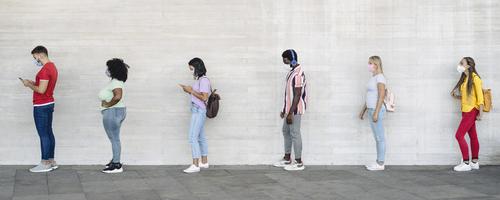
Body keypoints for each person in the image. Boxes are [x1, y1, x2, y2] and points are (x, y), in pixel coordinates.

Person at [21, 46, 59, 173]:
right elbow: (45, 86)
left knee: (43, 134)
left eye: (34, 57)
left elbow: (41, 90)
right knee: (49, 132)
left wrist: (28, 85)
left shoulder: (44, 70)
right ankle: (51, 161)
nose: (35, 59)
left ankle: (45, 163)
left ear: (39, 54)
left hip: (41, 105)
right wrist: (34, 82)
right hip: (49, 103)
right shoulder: (52, 67)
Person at [273, 49, 307, 171]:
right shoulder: (291, 72)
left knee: (295, 134)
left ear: (290, 59)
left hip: (295, 110)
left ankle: (299, 162)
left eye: (284, 58)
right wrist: (284, 110)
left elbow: (297, 95)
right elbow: (288, 94)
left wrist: (291, 113)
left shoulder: (298, 74)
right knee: (286, 131)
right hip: (289, 110)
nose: (283, 60)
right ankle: (287, 158)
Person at [450, 57, 483, 172]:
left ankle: (466, 163)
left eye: (461, 63)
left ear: (468, 66)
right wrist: (457, 96)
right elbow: (468, 97)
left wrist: (481, 114)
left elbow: (480, 98)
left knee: (459, 135)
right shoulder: (466, 78)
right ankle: (474, 162)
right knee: (473, 136)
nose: (459, 64)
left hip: (471, 111)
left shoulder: (475, 78)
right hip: (465, 110)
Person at [179, 57, 211, 173]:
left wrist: (191, 91)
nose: (191, 71)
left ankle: (195, 165)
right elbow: (199, 95)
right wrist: (189, 90)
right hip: (197, 110)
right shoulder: (199, 80)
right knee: (201, 137)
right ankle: (204, 162)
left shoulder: (204, 80)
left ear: (197, 68)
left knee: (192, 137)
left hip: (198, 111)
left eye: (192, 68)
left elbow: (204, 97)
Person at [99, 58, 129, 173]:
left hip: (113, 111)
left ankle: (116, 165)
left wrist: (108, 105)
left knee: (114, 138)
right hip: (114, 111)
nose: (107, 70)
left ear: (113, 69)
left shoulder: (116, 82)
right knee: (113, 138)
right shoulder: (115, 82)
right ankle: (115, 160)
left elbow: (117, 96)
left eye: (108, 68)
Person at [359, 56, 387, 171]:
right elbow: (370, 96)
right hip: (371, 110)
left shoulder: (380, 77)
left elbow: (381, 96)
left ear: (376, 64)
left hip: (377, 110)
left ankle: (380, 163)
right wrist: (363, 110)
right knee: (377, 138)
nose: (368, 65)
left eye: (370, 63)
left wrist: (376, 112)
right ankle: (378, 162)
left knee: (380, 138)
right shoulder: (373, 77)